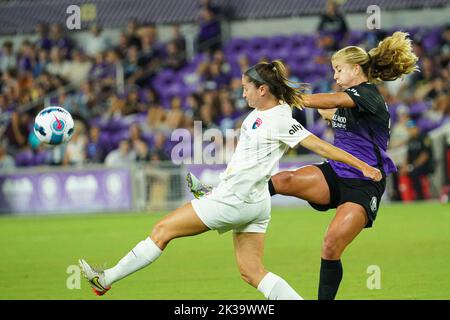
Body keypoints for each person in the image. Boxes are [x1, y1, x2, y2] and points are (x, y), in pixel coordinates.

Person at [79, 60, 381, 299]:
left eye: (246, 88)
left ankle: (105, 280)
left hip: (235, 201)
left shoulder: (279, 119)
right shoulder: (268, 111)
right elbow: (249, 161)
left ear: (262, 90)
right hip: (255, 203)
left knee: (161, 230)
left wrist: (362, 166)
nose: (242, 94)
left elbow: (321, 146)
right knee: (252, 272)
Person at [266, 32, 419, 300]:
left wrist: (292, 97)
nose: (335, 76)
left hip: (364, 183)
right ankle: (228, 199)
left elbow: (334, 102)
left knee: (330, 246)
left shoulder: (369, 94)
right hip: (336, 173)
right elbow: (332, 111)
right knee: (283, 180)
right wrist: (322, 113)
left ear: (355, 69)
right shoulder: (352, 103)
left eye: (338, 70)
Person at [400, 120, 435, 200]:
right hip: (413, 166)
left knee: (414, 172)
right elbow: (408, 157)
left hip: (426, 166)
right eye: (409, 129)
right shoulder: (410, 140)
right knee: (397, 172)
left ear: (417, 128)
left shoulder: (424, 137)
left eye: (412, 128)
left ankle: (420, 196)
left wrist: (411, 166)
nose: (411, 131)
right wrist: (404, 167)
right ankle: (400, 196)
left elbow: (425, 155)